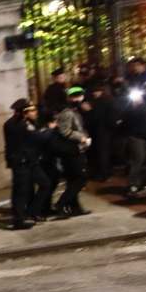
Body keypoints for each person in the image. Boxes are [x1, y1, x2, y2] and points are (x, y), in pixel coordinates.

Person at [4, 99, 48, 227]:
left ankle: (32, 212)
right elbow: (38, 137)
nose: (35, 112)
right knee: (20, 191)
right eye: (32, 110)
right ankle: (19, 220)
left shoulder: (24, 123)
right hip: (21, 162)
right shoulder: (17, 125)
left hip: (30, 161)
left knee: (45, 184)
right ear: (24, 112)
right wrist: (48, 129)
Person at [55, 86, 92, 216]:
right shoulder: (68, 112)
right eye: (76, 97)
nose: (79, 99)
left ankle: (75, 207)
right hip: (72, 150)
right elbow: (65, 131)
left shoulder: (76, 111)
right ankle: (62, 203)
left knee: (73, 180)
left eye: (80, 96)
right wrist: (81, 137)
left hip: (76, 149)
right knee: (80, 179)